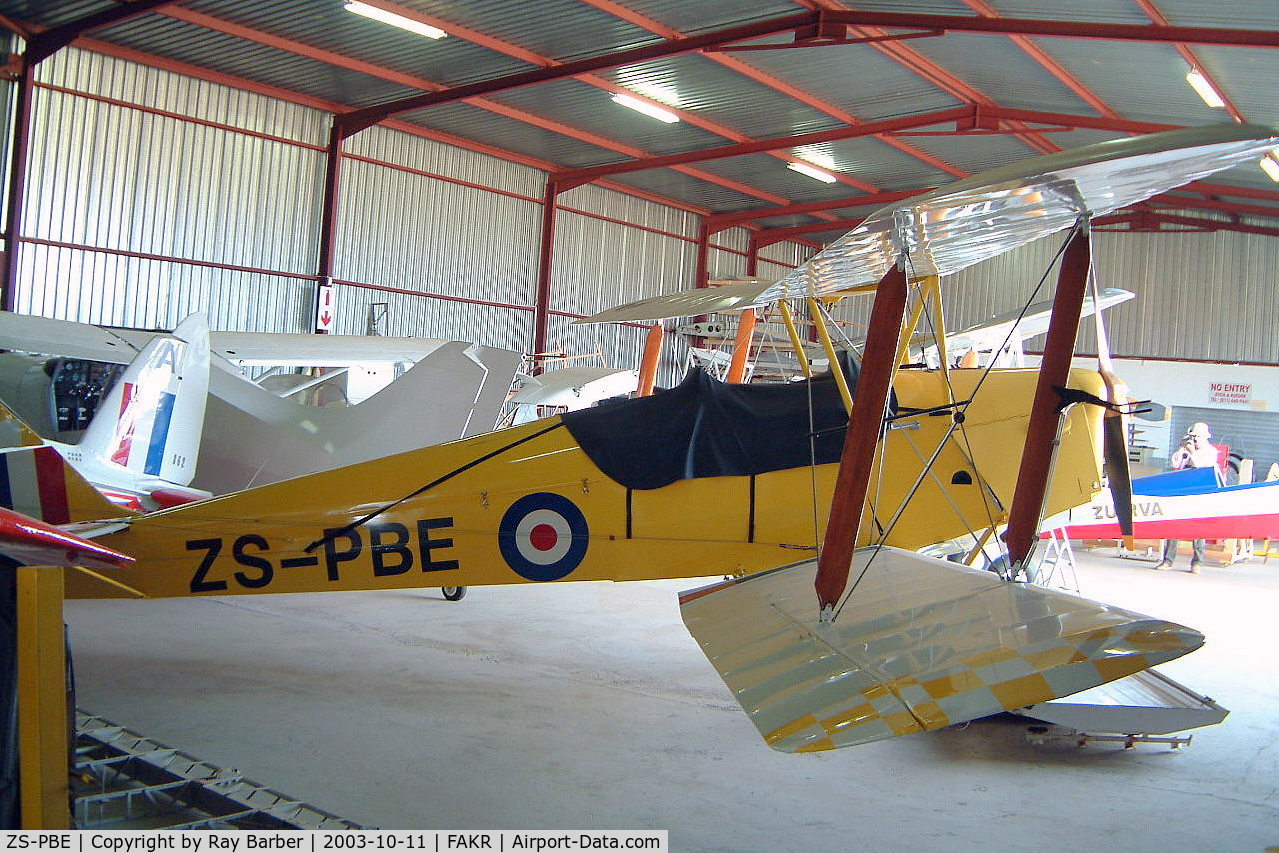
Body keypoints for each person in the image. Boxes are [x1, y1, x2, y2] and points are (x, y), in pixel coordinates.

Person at [1154, 421, 1218, 573]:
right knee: (1174, 526)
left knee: (1198, 530)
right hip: (1183, 491)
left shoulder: (1211, 452)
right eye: (1193, 437)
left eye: (1197, 437)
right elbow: (1175, 462)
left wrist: (1193, 452)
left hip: (1200, 493)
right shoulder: (1188, 450)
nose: (1195, 440)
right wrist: (1183, 448)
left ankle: (1197, 563)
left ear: (1205, 437)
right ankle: (1168, 561)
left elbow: (1200, 466)